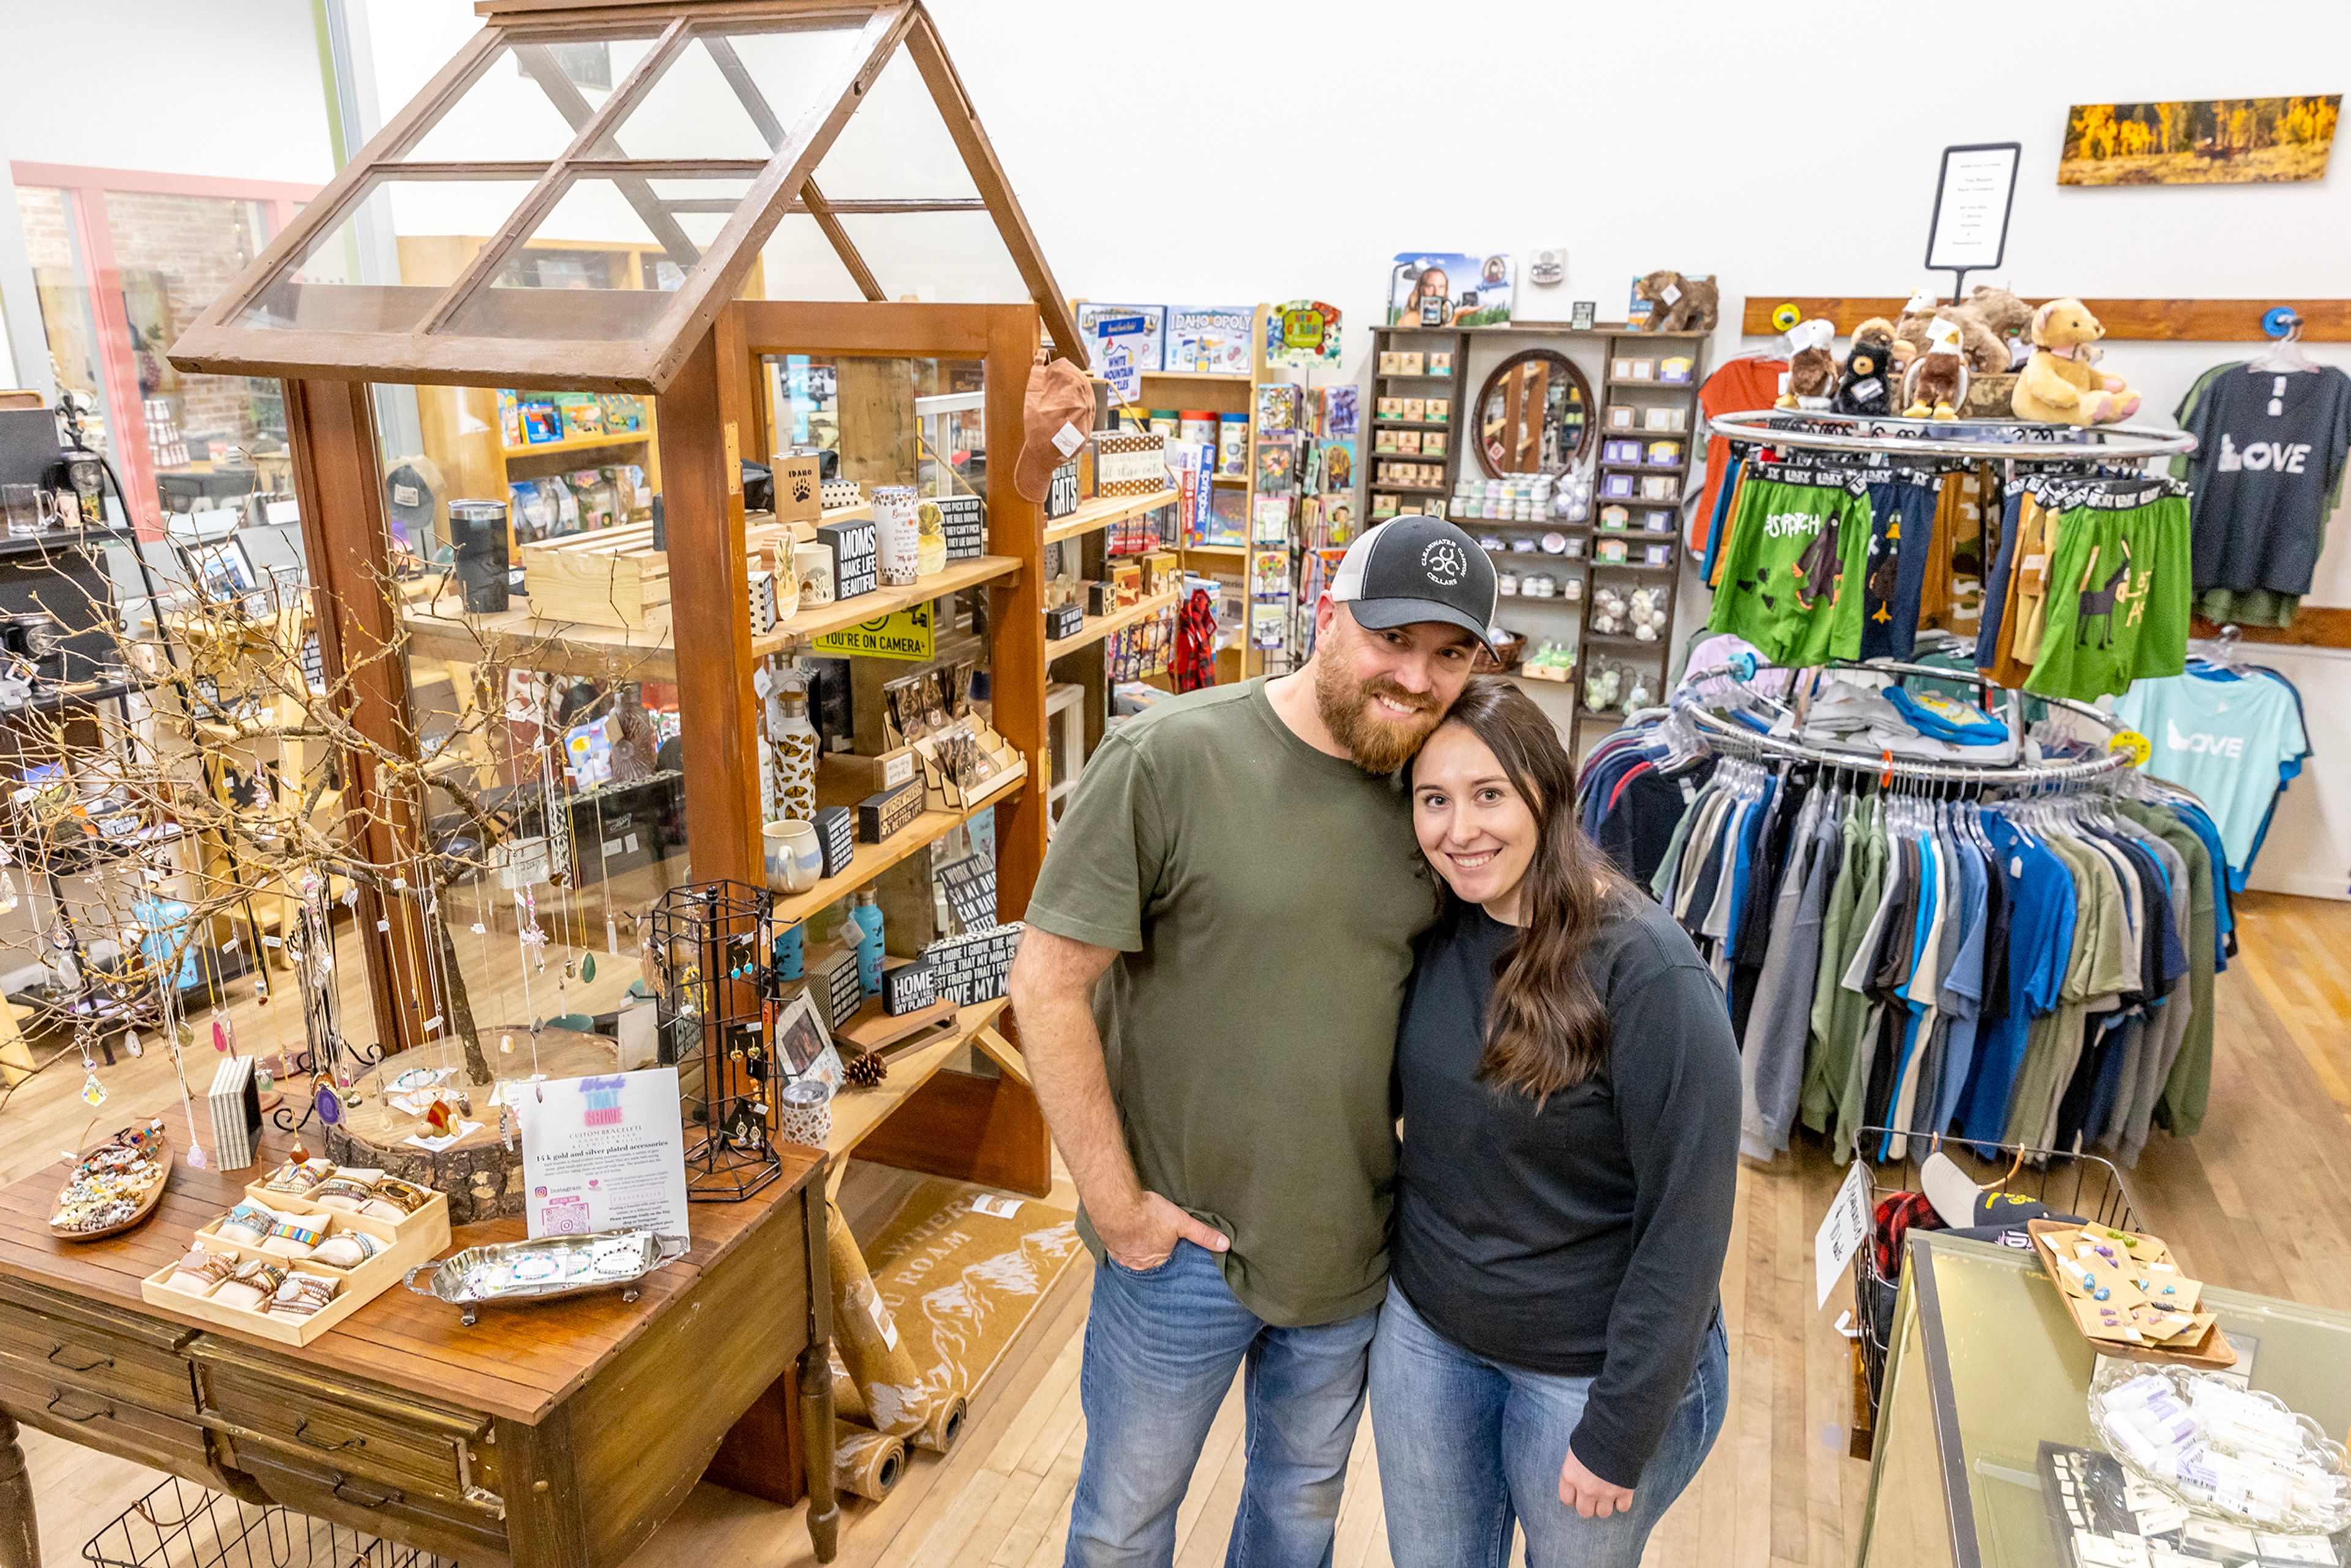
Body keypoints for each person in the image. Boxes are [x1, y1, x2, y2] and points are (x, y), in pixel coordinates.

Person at [1008, 516, 1496, 1567]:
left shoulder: (1436, 802)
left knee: (1295, 1524)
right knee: (1124, 1525)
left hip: (1347, 1255)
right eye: (1393, 639)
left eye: (1449, 654)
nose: (1416, 677)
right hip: (1176, 1253)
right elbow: (1045, 985)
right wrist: (1116, 1207)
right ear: (1328, 615)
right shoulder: (1169, 755)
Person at [1370, 677, 1740, 1568]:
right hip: (1429, 1340)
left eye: (1489, 794)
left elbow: (1687, 1222)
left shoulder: (1645, 971)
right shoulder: (1433, 929)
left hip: (1583, 1375)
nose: (1462, 829)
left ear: (1548, 790)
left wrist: (1621, 1426)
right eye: (1435, 800)